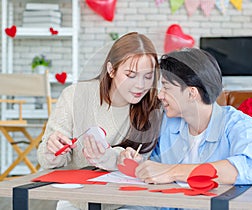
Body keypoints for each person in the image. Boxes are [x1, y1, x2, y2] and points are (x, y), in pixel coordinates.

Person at [37, 32, 162, 210]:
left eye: (148, 76)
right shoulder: (74, 96)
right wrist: (53, 151)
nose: (140, 85)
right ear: (111, 70)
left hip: (127, 202)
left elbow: (141, 164)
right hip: (76, 200)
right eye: (131, 75)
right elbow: (46, 159)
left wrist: (109, 157)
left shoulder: (153, 107)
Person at [119, 47, 252, 194]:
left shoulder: (239, 124)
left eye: (166, 87)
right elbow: (158, 166)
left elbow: (251, 167)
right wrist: (141, 165)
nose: (160, 95)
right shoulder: (166, 123)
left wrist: (172, 172)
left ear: (191, 93)